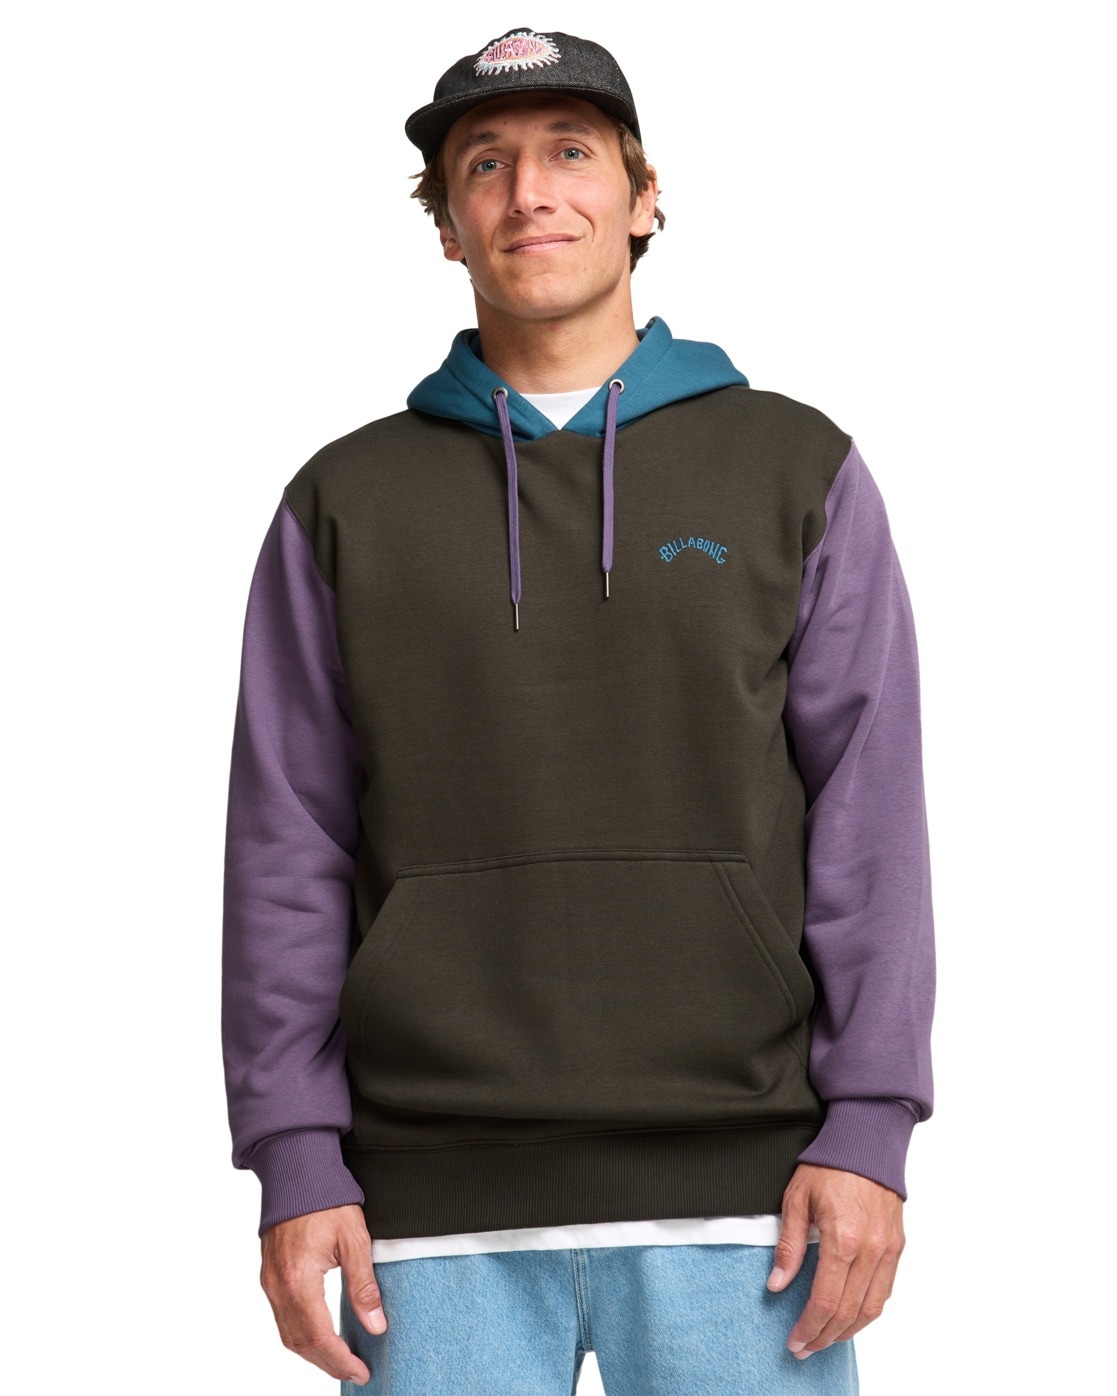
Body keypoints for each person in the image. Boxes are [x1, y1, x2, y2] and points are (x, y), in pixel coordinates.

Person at [221, 25, 936, 1395]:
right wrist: (293, 1153)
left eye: (569, 152)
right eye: (484, 164)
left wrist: (870, 1129)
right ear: (447, 225)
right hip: (421, 1205)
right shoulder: (345, 501)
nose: (529, 192)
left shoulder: (794, 466)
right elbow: (285, 845)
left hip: (752, 1200)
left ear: (643, 196)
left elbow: (869, 820)